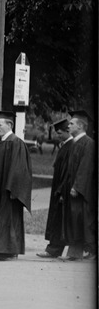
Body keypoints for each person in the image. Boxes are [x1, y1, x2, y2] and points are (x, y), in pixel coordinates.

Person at [0, 110, 33, 260]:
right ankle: (2, 251)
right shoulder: (0, 143)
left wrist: (13, 189)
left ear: (9, 125)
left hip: (9, 191)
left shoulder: (17, 143)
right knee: (0, 219)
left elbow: (20, 169)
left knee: (8, 220)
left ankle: (6, 252)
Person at [62, 110, 96, 261]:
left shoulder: (88, 143)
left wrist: (77, 186)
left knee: (84, 220)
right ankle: (75, 252)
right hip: (73, 188)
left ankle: (92, 250)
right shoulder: (75, 142)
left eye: (71, 123)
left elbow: (85, 167)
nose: (68, 126)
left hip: (83, 190)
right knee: (74, 220)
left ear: (81, 126)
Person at [37, 118, 72, 259]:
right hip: (58, 187)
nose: (57, 136)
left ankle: (53, 249)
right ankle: (53, 248)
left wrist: (62, 190)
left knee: (59, 219)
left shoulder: (71, 146)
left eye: (59, 133)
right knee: (57, 219)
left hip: (62, 188)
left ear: (67, 131)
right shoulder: (65, 145)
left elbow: (69, 171)